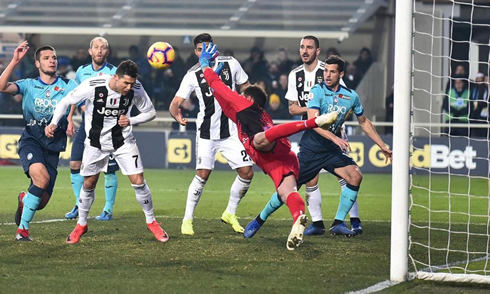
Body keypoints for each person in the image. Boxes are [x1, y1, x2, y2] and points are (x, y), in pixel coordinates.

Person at [198, 42, 337, 249]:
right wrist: (214, 81)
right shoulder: (247, 113)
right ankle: (298, 217)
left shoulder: (245, 105)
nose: (238, 96)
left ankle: (312, 122)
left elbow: (223, 92)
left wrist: (206, 68)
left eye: (242, 95)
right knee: (286, 192)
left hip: (266, 146)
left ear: (247, 98)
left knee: (259, 139)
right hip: (282, 158)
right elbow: (222, 97)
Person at [245, 55, 393, 238]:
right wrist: (335, 138)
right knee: (287, 190)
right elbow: (312, 121)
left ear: (341, 74)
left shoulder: (351, 96)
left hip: (331, 151)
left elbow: (363, 122)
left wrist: (382, 145)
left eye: (332, 72)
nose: (328, 75)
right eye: (326, 71)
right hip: (312, 149)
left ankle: (338, 223)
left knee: (355, 176)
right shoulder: (317, 91)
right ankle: (259, 219)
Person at [45, 60, 168, 244]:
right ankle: (81, 224)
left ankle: (152, 222)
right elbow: (66, 101)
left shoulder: (136, 88)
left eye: (131, 84)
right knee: (89, 183)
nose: (128, 87)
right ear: (115, 77)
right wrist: (54, 122)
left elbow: (150, 112)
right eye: (125, 83)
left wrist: (131, 120)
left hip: (123, 142)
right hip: (95, 143)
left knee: (139, 181)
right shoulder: (94, 85)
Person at [274, 35, 361, 236]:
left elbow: (346, 98)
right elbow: (293, 109)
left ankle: (354, 220)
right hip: (311, 132)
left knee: (346, 177)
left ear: (317, 51)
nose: (305, 51)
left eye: (309, 47)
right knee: (311, 179)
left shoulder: (328, 70)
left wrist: (331, 116)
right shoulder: (295, 75)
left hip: (334, 132)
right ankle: (318, 223)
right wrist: (315, 108)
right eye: (302, 47)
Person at [169, 33, 254, 236]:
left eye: (207, 48)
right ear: (195, 52)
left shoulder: (231, 64)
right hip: (207, 133)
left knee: (247, 172)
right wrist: (177, 115)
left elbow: (247, 87)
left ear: (214, 48)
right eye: (199, 49)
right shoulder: (192, 74)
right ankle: (187, 220)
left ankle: (230, 213)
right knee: (203, 175)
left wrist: (250, 103)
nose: (203, 52)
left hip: (231, 130)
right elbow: (175, 103)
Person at [0, 41, 78, 241]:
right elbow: (1, 87)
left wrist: (70, 119)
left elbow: (77, 100)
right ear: (37, 64)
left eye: (53, 57)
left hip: (53, 147)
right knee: (41, 179)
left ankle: (25, 199)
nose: (52, 60)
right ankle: (22, 231)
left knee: (41, 201)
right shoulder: (28, 84)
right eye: (46, 58)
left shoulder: (68, 85)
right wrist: (15, 61)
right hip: (31, 140)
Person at [64, 37, 119, 222]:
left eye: (103, 48)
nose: (100, 50)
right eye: (96, 47)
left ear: (107, 52)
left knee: (108, 170)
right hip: (86, 126)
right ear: (90, 51)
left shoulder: (113, 73)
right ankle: (79, 205)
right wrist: (70, 117)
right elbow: (75, 94)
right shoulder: (82, 71)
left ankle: (108, 210)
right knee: (74, 164)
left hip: (107, 129)